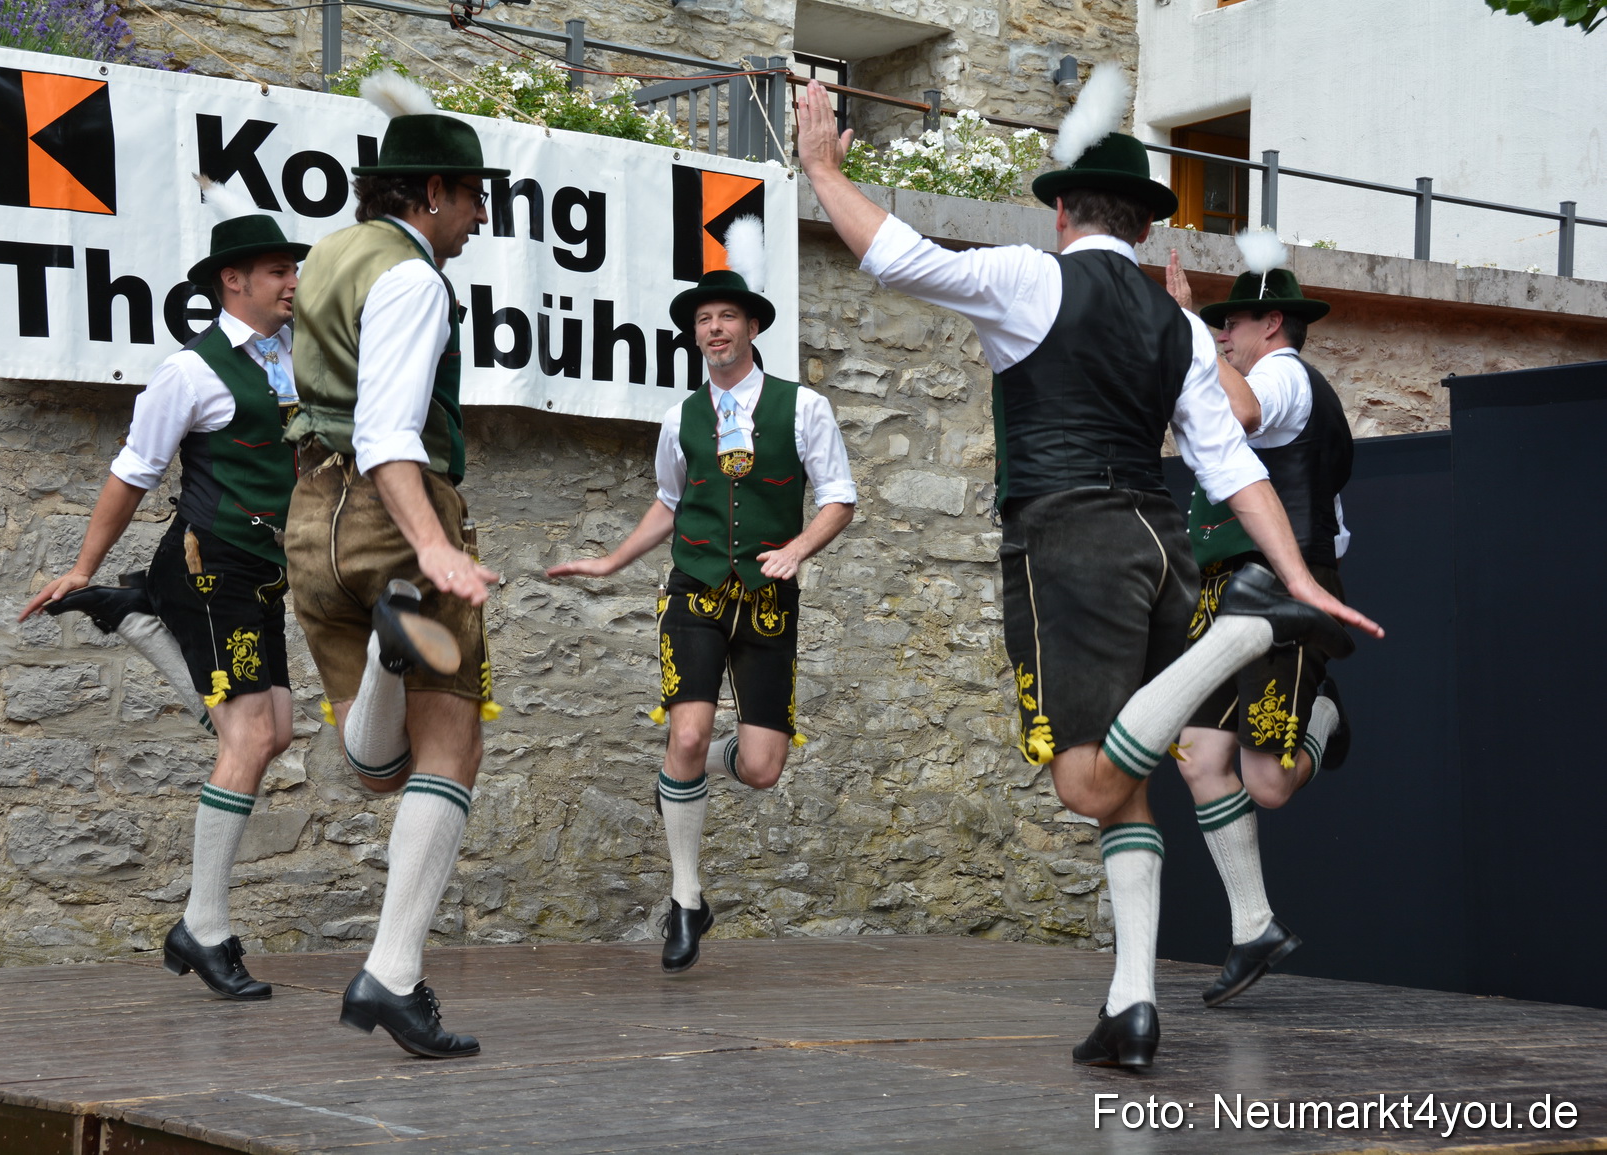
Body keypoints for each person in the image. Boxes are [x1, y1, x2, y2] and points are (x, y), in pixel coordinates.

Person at [794, 69, 1381, 1069]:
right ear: (1146, 230)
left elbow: (891, 252)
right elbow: (1232, 469)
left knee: (1080, 780)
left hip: (1069, 537)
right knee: (1129, 787)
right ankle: (1131, 1005)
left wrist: (816, 164)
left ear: (1062, 211)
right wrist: (1303, 577)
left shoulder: (1033, 277)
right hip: (1163, 544)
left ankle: (1244, 635)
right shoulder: (1178, 330)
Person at [20, 186, 309, 1002]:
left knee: (275, 730)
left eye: (292, 270)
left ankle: (137, 620)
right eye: (277, 271)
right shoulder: (189, 371)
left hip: (263, 571)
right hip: (208, 564)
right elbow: (134, 472)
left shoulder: (290, 361)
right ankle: (205, 927)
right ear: (232, 283)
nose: (292, 284)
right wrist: (82, 564)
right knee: (247, 739)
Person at [546, 249, 856, 973]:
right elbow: (670, 502)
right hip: (693, 591)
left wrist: (800, 549)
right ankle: (685, 899)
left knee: (760, 766)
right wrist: (611, 560)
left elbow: (839, 496)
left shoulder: (803, 407)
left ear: (752, 326)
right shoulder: (680, 416)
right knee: (684, 734)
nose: (714, 329)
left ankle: (686, 774)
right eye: (704, 321)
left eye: (726, 317)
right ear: (696, 336)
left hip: (769, 600)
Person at [282, 73, 506, 1059]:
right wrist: (434, 548)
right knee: (452, 751)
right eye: (469, 196)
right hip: (389, 515)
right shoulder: (413, 277)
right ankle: (394, 973)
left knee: (383, 771)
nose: (477, 215)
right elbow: (387, 431)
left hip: (310, 520)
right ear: (425, 195)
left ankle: (386, 655)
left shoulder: (328, 253)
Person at [1163, 248, 1353, 1007]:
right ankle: (1255, 925)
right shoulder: (1249, 373)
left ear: (1273, 323)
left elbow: (1239, 410)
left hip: (1282, 587)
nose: (1225, 335)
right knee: (1199, 756)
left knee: (1267, 784)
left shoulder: (1283, 376)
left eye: (1233, 322)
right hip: (1226, 590)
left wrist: (1188, 332)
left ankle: (1326, 713)